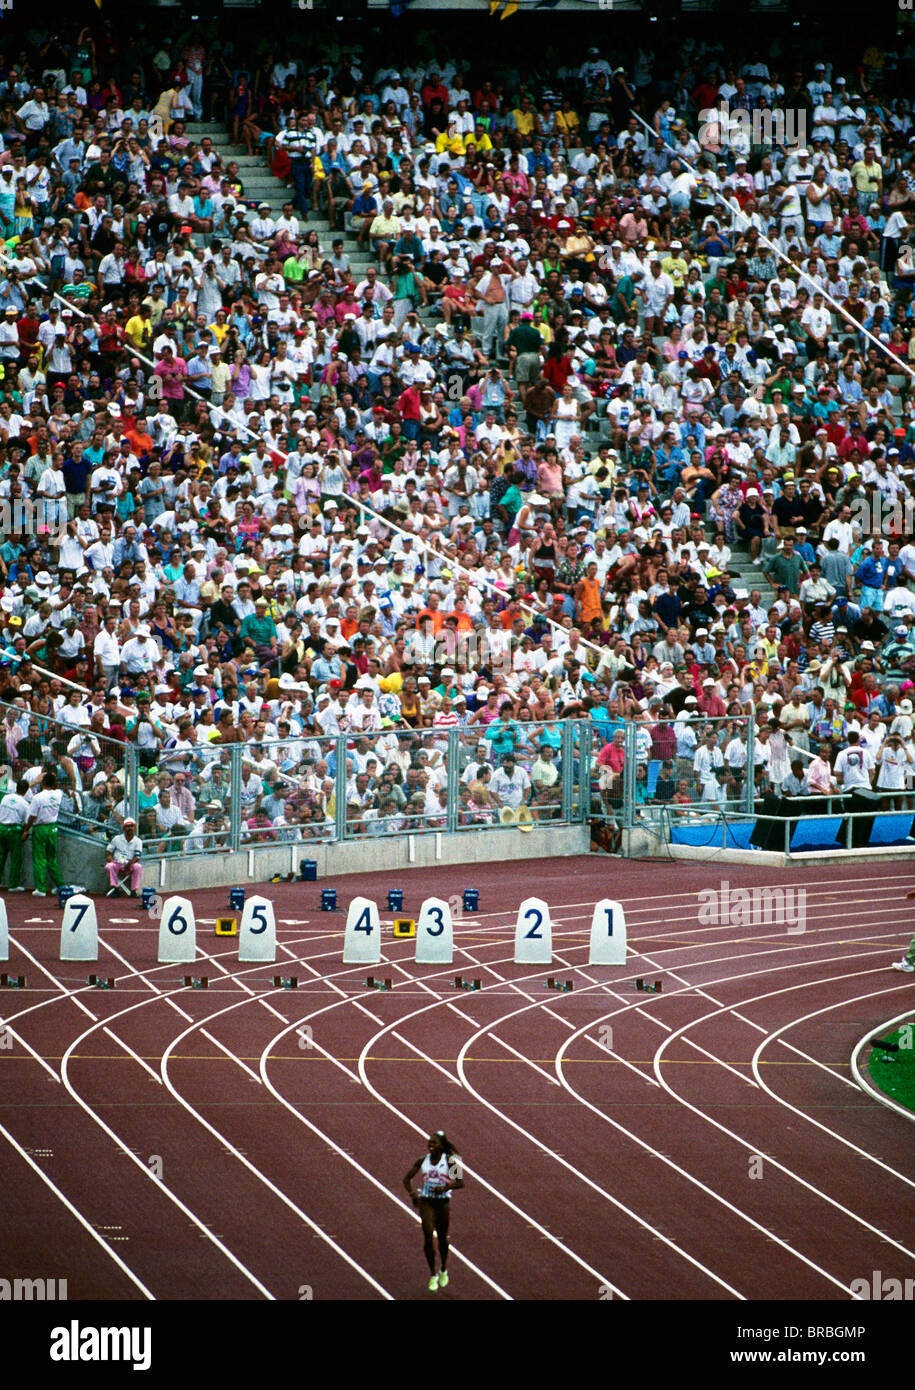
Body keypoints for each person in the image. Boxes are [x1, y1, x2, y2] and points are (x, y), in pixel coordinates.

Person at [402, 1130, 464, 1291]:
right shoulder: (422, 1161)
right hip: (426, 1202)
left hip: (442, 1202)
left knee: (442, 1239)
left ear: (442, 1146)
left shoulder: (452, 1161)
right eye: (429, 1142)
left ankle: (443, 1269)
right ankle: (432, 1275)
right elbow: (406, 1179)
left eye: (434, 1143)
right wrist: (413, 1195)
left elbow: (460, 1182)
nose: (430, 1145)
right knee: (428, 1234)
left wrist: (445, 1187)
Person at [26, 770, 64, 897]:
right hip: (53, 827)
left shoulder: (37, 797)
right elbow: (56, 787)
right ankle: (60, 886)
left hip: (41, 828)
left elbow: (32, 816)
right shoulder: (59, 794)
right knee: (52, 859)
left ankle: (41, 888)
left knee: (39, 859)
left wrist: (26, 830)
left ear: (42, 783)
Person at [0, 778, 30, 891]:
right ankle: (13, 885)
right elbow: (27, 821)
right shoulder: (25, 804)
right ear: (26, 791)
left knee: (0, 857)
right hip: (14, 831)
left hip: (1, 827)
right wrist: (25, 832)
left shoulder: (6, 797)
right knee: (15, 859)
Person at [105, 816, 143, 897]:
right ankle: (115, 888)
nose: (129, 828)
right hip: (117, 862)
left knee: (138, 867)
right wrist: (109, 857)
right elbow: (108, 850)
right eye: (127, 826)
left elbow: (137, 857)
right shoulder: (117, 838)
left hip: (130, 863)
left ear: (135, 827)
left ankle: (134, 890)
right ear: (123, 828)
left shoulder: (138, 841)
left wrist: (129, 864)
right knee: (109, 866)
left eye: (131, 826)